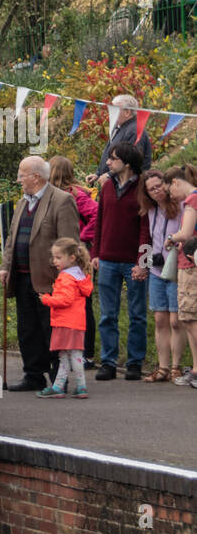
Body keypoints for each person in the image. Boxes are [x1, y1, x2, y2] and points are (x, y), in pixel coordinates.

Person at [0, 156, 81, 391]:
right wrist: (5, 266)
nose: (19, 179)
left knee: (51, 330)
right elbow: (11, 239)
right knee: (27, 329)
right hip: (23, 275)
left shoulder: (62, 200)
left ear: (36, 177)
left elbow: (69, 243)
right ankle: (33, 375)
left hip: (50, 279)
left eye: (22, 174)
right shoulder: (23, 202)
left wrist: (65, 278)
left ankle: (59, 377)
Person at [91, 142, 148, 380]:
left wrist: (142, 262)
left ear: (126, 162)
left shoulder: (142, 188)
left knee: (137, 314)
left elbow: (147, 229)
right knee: (107, 315)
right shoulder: (106, 187)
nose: (108, 162)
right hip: (106, 260)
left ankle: (135, 362)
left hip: (133, 262)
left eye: (113, 159)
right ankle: (108, 362)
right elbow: (99, 222)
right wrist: (95, 253)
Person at [48, 155, 98, 365]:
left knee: (81, 304)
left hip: (75, 256)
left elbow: (96, 214)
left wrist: (82, 239)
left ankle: (86, 353)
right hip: (63, 255)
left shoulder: (74, 195)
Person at [136, 170, 184, 381]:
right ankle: (163, 367)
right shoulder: (150, 211)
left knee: (176, 320)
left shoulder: (181, 207)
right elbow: (147, 239)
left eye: (158, 186)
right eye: (151, 189)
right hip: (156, 270)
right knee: (160, 319)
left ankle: (176, 366)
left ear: (166, 185)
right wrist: (143, 265)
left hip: (176, 269)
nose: (156, 191)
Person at [37, 237, 94, 398]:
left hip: (66, 322)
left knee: (68, 356)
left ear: (71, 258)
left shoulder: (66, 278)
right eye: (54, 257)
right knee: (69, 356)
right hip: (75, 322)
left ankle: (78, 386)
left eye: (58, 257)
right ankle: (61, 386)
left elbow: (65, 300)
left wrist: (47, 299)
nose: (55, 261)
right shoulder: (79, 276)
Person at [163, 165, 197, 387]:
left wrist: (171, 238)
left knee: (190, 317)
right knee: (188, 318)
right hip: (190, 263)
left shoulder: (192, 200)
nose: (171, 197)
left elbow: (185, 233)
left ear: (175, 182)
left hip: (190, 264)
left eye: (169, 191)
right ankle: (195, 368)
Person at [87, 95, 151, 185]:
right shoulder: (119, 128)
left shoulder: (134, 131)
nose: (110, 113)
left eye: (115, 110)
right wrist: (98, 174)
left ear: (127, 112)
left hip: (129, 186)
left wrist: (109, 175)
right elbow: (110, 154)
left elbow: (131, 161)